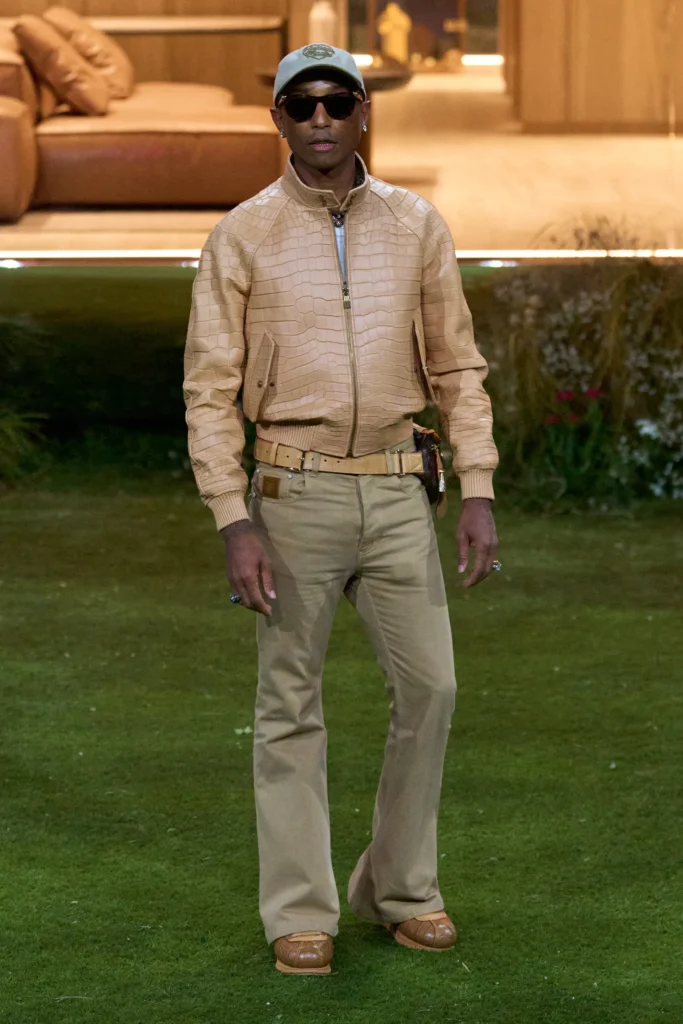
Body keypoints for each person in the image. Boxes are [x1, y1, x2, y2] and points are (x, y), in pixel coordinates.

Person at [183, 43, 499, 976]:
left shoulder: (415, 224)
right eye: (301, 104)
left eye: (336, 101)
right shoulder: (242, 234)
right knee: (289, 703)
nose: (319, 118)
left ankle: (398, 888)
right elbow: (209, 389)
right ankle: (298, 911)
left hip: (401, 488)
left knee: (432, 688)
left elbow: (457, 366)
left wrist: (477, 487)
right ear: (278, 119)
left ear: (364, 111)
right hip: (292, 492)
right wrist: (231, 516)